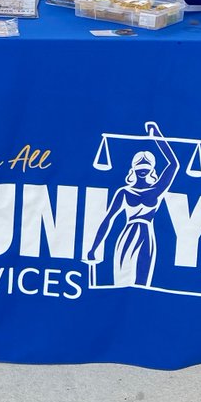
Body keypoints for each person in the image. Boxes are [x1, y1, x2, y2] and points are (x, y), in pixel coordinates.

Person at [85, 122, 180, 289]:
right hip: (128, 234)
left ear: (151, 169)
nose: (142, 170)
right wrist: (94, 247)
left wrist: (157, 135)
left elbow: (173, 164)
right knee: (122, 280)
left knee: (142, 283)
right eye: (139, 167)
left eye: (146, 167)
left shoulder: (157, 190)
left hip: (146, 235)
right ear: (133, 169)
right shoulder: (124, 192)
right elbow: (108, 219)